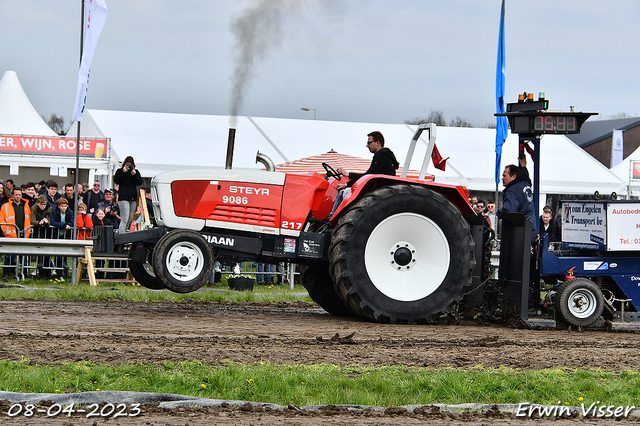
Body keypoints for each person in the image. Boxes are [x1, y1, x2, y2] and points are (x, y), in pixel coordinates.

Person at [327, 131, 399, 219]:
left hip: (378, 189)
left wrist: (347, 174)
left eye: (369, 142)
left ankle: (332, 218)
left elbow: (367, 176)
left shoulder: (381, 156)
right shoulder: (384, 156)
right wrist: (346, 184)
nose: (367, 145)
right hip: (379, 187)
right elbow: (367, 175)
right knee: (345, 190)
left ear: (378, 143)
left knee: (345, 192)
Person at [497, 156, 536, 242]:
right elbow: (526, 177)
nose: (502, 178)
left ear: (513, 176)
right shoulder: (526, 183)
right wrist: (523, 167)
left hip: (519, 235)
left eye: (504, 176)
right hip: (531, 229)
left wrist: (499, 212)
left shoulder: (512, 191)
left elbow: (509, 212)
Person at [0, 187, 32, 279]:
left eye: (19, 195)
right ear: (13, 195)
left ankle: (24, 274)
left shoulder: (26, 206)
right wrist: (5, 230)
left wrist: (27, 231)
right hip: (10, 234)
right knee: (8, 256)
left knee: (24, 256)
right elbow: (2, 219)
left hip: (23, 233)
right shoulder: (5, 206)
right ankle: (6, 274)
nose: (17, 196)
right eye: (16, 195)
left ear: (21, 195)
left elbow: (28, 219)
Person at [113, 156, 142, 233]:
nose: (129, 167)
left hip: (132, 198)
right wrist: (123, 172)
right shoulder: (120, 171)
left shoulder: (136, 172)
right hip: (123, 198)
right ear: (124, 165)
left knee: (130, 219)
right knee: (125, 218)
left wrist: (134, 174)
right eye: (127, 165)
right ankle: (121, 235)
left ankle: (125, 233)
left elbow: (139, 182)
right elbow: (116, 180)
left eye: (130, 166)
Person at [31, 195, 53, 278]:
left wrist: (47, 221)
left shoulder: (49, 208)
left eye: (44, 204)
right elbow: (32, 220)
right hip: (38, 232)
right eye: (42, 204)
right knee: (40, 254)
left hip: (47, 232)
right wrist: (38, 223)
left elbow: (51, 219)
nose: (43, 206)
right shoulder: (34, 208)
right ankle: (41, 274)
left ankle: (48, 273)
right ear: (38, 203)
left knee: (47, 253)